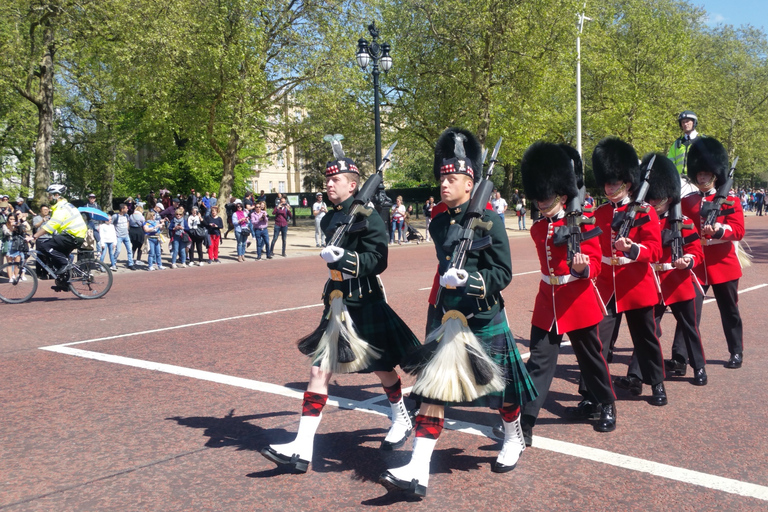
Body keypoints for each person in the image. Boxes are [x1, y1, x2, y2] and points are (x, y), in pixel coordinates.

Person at [380, 128, 536, 497]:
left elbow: (503, 273)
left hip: (482, 316)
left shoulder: (491, 220)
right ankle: (417, 470)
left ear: (470, 183)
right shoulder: (438, 222)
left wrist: (472, 279)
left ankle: (513, 438)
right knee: (432, 392)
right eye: (442, 178)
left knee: (504, 393)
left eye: (452, 179)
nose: (444, 184)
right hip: (450, 317)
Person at [261, 144, 421, 476]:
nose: (329, 185)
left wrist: (346, 260)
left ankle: (400, 415)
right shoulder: (335, 216)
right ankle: (302, 448)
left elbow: (379, 260)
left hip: (365, 301)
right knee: (320, 371)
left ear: (353, 184)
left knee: (381, 366)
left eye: (337, 181)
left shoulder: (370, 215)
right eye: (328, 181)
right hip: (336, 301)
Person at [517, 142, 616, 443]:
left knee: (590, 359)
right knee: (539, 362)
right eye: (538, 200)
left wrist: (582, 268)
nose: (540, 205)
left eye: (545, 200)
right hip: (549, 302)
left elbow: (596, 264)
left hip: (578, 299)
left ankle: (607, 404)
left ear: (561, 195)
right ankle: (526, 421)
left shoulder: (584, 221)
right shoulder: (539, 229)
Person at [588, 137, 667, 408]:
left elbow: (655, 251)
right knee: (597, 340)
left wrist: (633, 250)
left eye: (615, 183)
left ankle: (656, 383)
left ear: (627, 183)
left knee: (645, 338)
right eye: (607, 183)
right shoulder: (598, 213)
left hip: (635, 283)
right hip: (607, 285)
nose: (610, 188)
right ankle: (592, 394)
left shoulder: (645, 212)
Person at [617, 153, 707, 389]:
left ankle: (699, 366)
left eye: (659, 199)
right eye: (652, 199)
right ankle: (636, 374)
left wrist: (687, 259)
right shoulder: (641, 219)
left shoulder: (682, 222)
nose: (654, 203)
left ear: (670, 198)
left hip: (677, 280)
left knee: (690, 327)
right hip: (651, 282)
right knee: (647, 331)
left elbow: (697, 252)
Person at [676, 137, 745, 369]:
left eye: (706, 174)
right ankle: (681, 356)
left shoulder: (729, 199)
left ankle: (736, 351)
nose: (702, 178)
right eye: (699, 174)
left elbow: (738, 230)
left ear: (714, 175)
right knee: (688, 312)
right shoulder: (688, 202)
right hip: (696, 264)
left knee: (730, 311)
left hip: (723, 263)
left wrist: (719, 230)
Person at [27, 185, 88, 291]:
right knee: (56, 257)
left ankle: (65, 264)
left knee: (44, 246)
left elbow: (51, 225)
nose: (48, 198)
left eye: (50, 195)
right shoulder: (63, 206)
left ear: (56, 195)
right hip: (74, 235)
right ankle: (63, 283)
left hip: (73, 235)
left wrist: (34, 236)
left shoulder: (61, 208)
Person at [667, 110, 701, 175]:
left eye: (687, 121)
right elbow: (670, 163)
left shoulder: (702, 141)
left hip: (698, 180)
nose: (685, 124)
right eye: (683, 122)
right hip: (680, 180)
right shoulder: (677, 143)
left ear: (694, 122)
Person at [111, 203, 135, 270]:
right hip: (118, 236)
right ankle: (113, 262)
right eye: (126, 208)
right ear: (122, 209)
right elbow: (110, 224)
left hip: (126, 236)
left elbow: (127, 222)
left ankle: (131, 263)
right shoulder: (115, 216)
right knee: (118, 250)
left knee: (130, 250)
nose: (127, 209)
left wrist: (127, 229)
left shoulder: (126, 216)